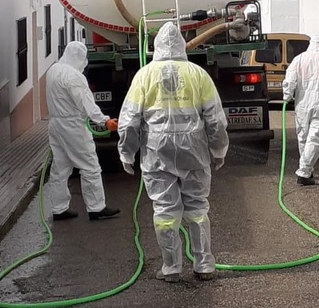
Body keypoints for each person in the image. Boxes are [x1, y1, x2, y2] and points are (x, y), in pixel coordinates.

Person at [117, 22, 229, 283]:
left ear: (156, 47)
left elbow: (130, 120)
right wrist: (219, 149)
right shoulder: (198, 74)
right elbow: (215, 119)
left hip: (157, 151)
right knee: (198, 207)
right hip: (194, 149)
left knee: (165, 211)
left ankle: (172, 268)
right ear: (181, 43)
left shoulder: (144, 76)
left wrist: (126, 152)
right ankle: (204, 265)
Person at [46, 41, 120, 221]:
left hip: (55, 124)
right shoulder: (74, 76)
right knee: (90, 165)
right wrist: (104, 121)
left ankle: (58, 208)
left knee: (60, 167)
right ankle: (96, 208)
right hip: (72, 125)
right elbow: (86, 103)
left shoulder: (53, 70)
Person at [282, 32, 319, 186]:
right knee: (315, 138)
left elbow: (290, 79)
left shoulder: (299, 59)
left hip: (302, 103)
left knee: (303, 136)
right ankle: (305, 170)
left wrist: (287, 96)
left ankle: (306, 170)